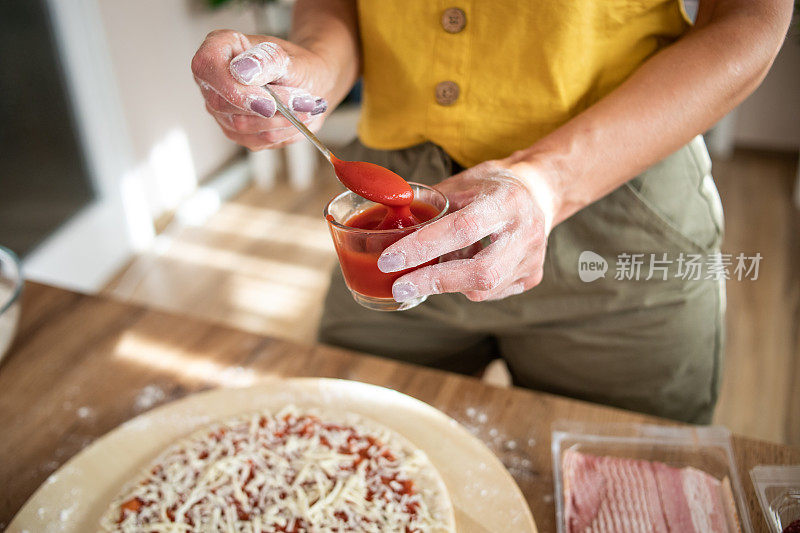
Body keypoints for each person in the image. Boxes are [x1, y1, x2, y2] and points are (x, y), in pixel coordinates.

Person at [191, 0, 792, 423]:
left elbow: (747, 18)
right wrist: (314, 66)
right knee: (356, 454)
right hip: (392, 222)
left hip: (619, 212)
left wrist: (551, 180)